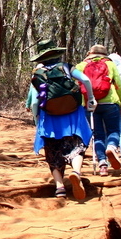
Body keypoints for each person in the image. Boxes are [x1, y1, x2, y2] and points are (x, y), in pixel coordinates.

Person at [31, 40, 97, 200]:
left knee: (53, 153)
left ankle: (59, 187)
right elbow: (86, 80)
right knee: (77, 146)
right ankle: (76, 173)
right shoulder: (67, 67)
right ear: (57, 54)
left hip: (49, 118)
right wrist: (90, 99)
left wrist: (36, 118)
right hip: (73, 114)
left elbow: (34, 101)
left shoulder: (38, 75)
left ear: (42, 57)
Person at [75, 45, 121, 176]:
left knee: (97, 135)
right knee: (113, 131)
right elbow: (119, 86)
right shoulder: (110, 64)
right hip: (110, 102)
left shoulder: (81, 65)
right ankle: (111, 148)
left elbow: (75, 86)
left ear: (90, 53)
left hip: (89, 104)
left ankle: (102, 165)